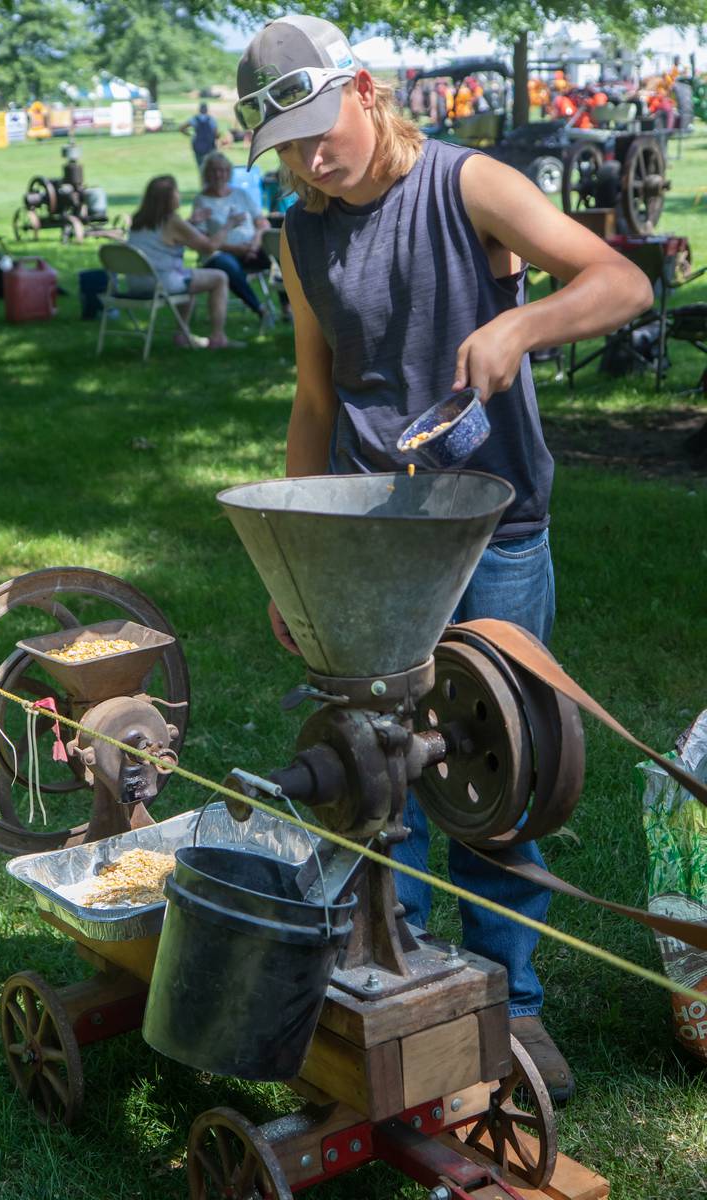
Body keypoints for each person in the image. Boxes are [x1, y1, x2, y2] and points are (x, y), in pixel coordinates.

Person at [235, 14, 652, 1103]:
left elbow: (620, 283)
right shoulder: (300, 232)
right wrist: (297, 554)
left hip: (490, 537)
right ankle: (400, 990)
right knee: (381, 784)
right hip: (370, 549)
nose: (309, 159)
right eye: (285, 148)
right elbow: (317, 393)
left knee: (495, 783)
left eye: (319, 131)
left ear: (366, 93)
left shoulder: (470, 187)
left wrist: (518, 330)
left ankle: (511, 1014)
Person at [127, 174, 245, 350]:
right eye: (176, 191)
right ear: (169, 197)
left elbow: (165, 237)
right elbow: (209, 247)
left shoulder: (138, 219)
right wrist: (230, 224)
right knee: (219, 278)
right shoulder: (172, 220)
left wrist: (191, 222)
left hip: (136, 282)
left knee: (189, 278)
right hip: (161, 283)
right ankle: (218, 337)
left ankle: (182, 335)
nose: (179, 195)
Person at [191, 151, 290, 329]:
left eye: (222, 170)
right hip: (219, 253)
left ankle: (287, 308)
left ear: (228, 172)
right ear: (206, 173)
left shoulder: (241, 194)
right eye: (213, 170)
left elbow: (262, 222)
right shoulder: (201, 200)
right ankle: (261, 310)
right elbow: (203, 240)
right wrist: (237, 249)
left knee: (283, 255)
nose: (218, 174)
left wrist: (255, 244)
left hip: (253, 247)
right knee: (227, 266)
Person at [179, 102, 218, 169]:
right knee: (211, 167)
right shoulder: (211, 120)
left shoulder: (194, 119)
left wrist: (189, 135)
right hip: (209, 146)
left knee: (200, 166)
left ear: (199, 110)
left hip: (197, 145)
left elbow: (181, 128)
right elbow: (215, 134)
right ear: (207, 110)